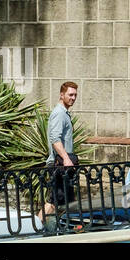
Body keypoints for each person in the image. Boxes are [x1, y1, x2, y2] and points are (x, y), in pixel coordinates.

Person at [42, 81, 79, 227]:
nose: (73, 98)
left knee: (65, 202)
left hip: (64, 165)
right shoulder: (59, 114)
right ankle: (34, 229)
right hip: (59, 165)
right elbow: (55, 139)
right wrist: (66, 158)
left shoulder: (64, 113)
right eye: (70, 94)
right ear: (61, 95)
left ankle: (59, 231)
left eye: (75, 95)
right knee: (53, 202)